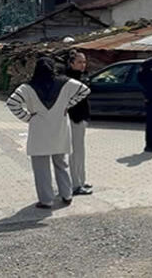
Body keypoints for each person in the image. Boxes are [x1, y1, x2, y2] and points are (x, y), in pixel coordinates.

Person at [6, 57, 90, 209]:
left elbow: (12, 103)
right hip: (60, 130)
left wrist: (27, 117)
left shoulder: (27, 87)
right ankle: (67, 195)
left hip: (39, 131)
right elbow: (85, 90)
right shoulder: (65, 83)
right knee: (61, 164)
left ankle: (46, 200)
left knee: (41, 169)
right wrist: (67, 105)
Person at [65, 50, 93, 196]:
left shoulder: (83, 76)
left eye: (84, 61)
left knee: (80, 152)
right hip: (73, 118)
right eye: (79, 62)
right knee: (74, 153)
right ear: (71, 63)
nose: (83, 65)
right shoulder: (68, 79)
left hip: (82, 118)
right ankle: (75, 184)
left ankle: (81, 181)